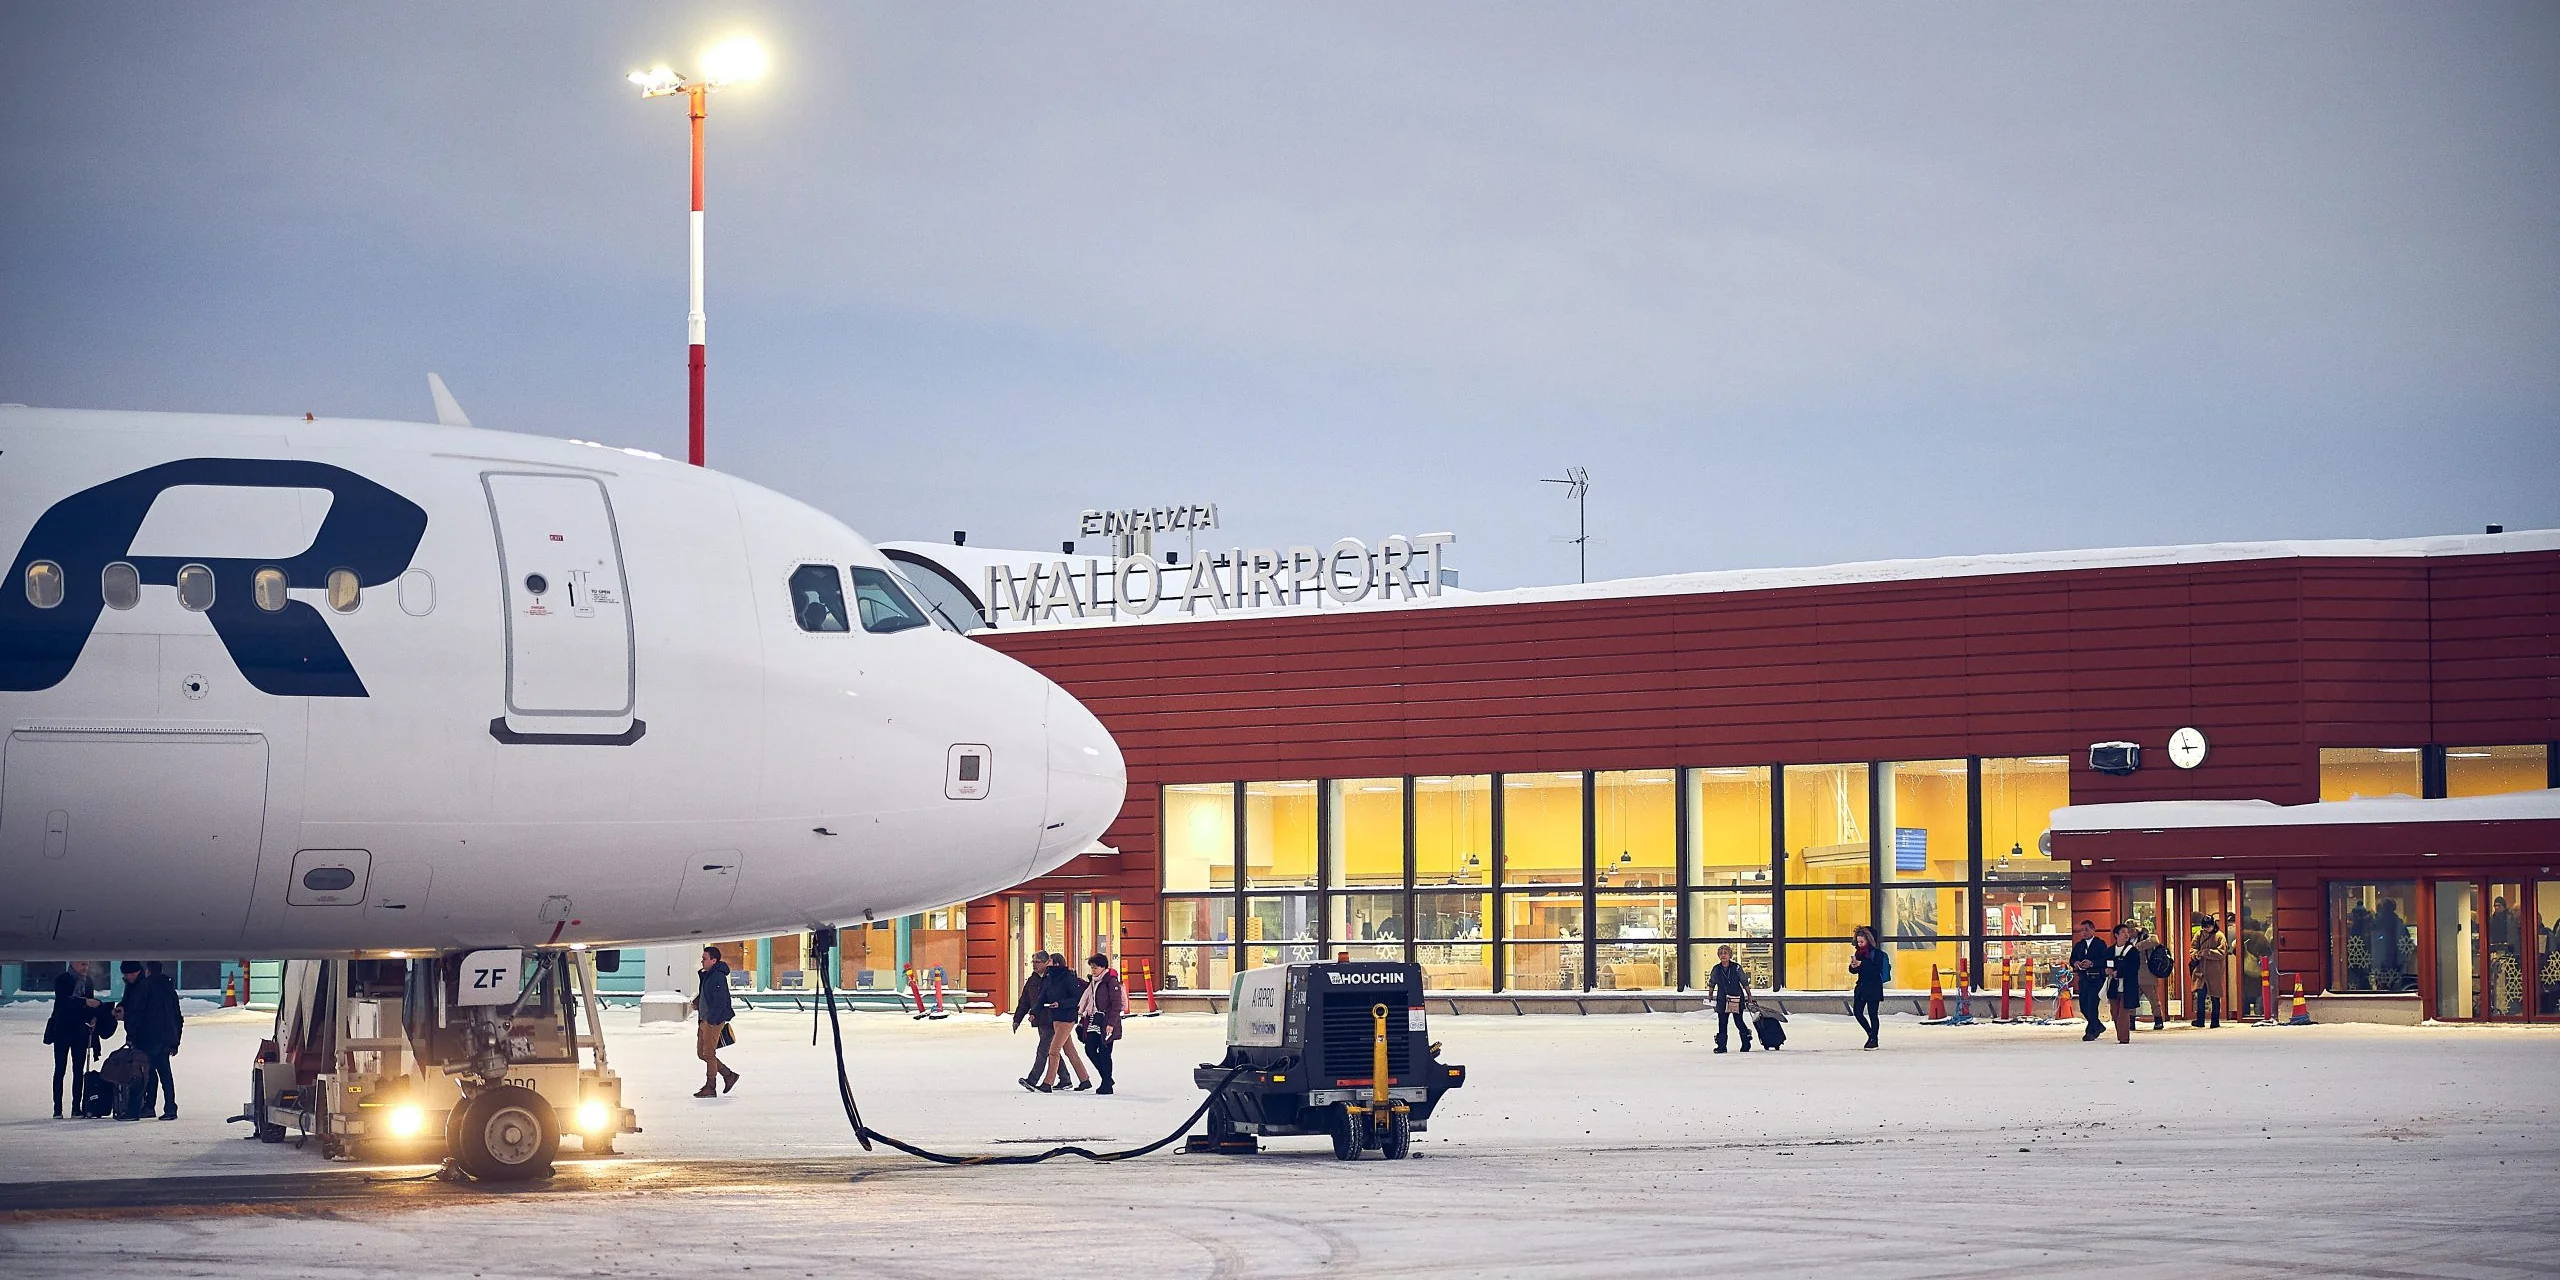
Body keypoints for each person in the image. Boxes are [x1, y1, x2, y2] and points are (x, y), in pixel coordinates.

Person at [118, 960, 183, 1120]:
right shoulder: (168, 989)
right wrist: (175, 1041)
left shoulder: (144, 987)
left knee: (143, 1074)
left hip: (148, 1038)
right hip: (165, 1038)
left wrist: (131, 1035)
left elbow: (139, 1013)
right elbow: (177, 1016)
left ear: (147, 971)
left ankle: (137, 1110)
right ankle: (169, 1108)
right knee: (164, 1074)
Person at [45, 966, 101, 1118]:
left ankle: (77, 1107)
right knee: (60, 1070)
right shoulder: (62, 979)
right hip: (62, 1030)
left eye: (88, 964)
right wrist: (85, 1002)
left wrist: (93, 1017)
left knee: (78, 1070)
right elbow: (63, 1002)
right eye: (82, 964)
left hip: (80, 1031)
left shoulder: (88, 981)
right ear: (74, 963)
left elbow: (91, 1006)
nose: (86, 967)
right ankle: (57, 1109)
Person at [1037, 952, 1093, 1092]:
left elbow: (1077, 998)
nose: (1047, 963)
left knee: (1053, 1051)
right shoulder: (1050, 978)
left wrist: (1060, 1004)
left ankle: (1047, 1083)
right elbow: (1042, 997)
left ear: (1056, 963)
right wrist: (1034, 1011)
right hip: (1056, 1017)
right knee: (1070, 1052)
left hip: (1067, 1018)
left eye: (1049, 961)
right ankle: (1084, 1079)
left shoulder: (1068, 978)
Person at [690, 945, 739, 1099]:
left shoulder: (717, 977)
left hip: (713, 1021)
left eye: (704, 959)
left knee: (709, 1054)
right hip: (704, 1019)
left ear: (713, 960)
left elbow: (720, 1000)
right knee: (701, 1053)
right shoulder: (708, 975)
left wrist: (712, 1019)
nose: (702, 961)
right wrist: (698, 1002)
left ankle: (710, 1086)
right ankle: (728, 1074)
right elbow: (706, 993)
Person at [1076, 953, 1126, 1095]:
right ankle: (1107, 1078)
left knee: (1105, 1053)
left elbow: (1117, 1004)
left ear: (1103, 967)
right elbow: (1089, 998)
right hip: (1093, 1020)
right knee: (1090, 1049)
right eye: (1091, 967)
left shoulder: (1111, 981)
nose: (1093, 970)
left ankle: (1106, 1084)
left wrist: (1111, 1023)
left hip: (1107, 1021)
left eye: (1095, 967)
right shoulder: (1094, 981)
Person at [1013, 951, 1053, 1090]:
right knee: (1051, 1050)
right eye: (1033, 962)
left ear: (1046, 962)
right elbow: (1024, 1001)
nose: (1034, 965)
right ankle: (1065, 1078)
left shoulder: (1052, 978)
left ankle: (1032, 1079)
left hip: (1053, 1020)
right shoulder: (1032, 980)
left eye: (1037, 962)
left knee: (1043, 1050)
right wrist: (1017, 1019)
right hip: (1040, 1020)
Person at [2069, 920, 2112, 1041]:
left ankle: (2091, 1032)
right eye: (2082, 930)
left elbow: (2104, 959)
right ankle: (2097, 1025)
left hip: (2096, 978)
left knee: (2092, 1005)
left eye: (2086, 930)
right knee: (2083, 1006)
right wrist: (2076, 963)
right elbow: (2072, 959)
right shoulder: (2079, 945)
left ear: (2093, 930)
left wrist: (2092, 963)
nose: (2083, 933)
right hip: (2083, 979)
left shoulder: (2100, 944)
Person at [1846, 925, 1888, 1050]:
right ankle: (1871, 1034)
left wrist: (1862, 964)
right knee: (1858, 1012)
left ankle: (1874, 1039)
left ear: (1868, 941)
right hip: (1862, 987)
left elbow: (1876, 970)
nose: (1859, 944)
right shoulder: (1858, 953)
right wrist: (1853, 966)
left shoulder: (1877, 954)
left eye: (1861, 942)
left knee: (1872, 1014)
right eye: (1858, 942)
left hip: (1874, 987)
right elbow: (1855, 971)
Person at [1706, 944, 1753, 1053]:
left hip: (1736, 997)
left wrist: (1749, 995)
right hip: (1722, 998)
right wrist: (1710, 994)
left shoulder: (1736, 967)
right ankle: (1722, 1046)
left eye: (1725, 953)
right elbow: (1712, 982)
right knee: (1722, 1022)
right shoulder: (1716, 969)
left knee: (1738, 1021)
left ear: (1730, 955)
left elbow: (1744, 982)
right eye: (1721, 953)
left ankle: (1746, 1042)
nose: (1723, 955)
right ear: (1718, 956)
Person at [2108, 924, 2143, 1044]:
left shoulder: (2132, 951)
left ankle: (2124, 1038)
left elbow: (2134, 967)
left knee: (2124, 1013)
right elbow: (2105, 964)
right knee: (2115, 1012)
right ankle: (2121, 1035)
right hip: (2113, 986)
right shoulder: (2110, 950)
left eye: (2127, 932)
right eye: (2123, 932)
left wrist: (2119, 973)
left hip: (2128, 986)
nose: (2126, 934)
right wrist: (2106, 971)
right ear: (2116, 935)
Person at [2189, 918, 2227, 1028]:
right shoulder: (2199, 934)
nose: (2207, 929)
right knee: (2200, 995)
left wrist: (2207, 953)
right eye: (2205, 927)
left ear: (2213, 925)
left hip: (2214, 970)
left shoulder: (2219, 936)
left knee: (2215, 996)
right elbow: (2193, 948)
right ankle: (2200, 1020)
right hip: (2201, 970)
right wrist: (2195, 954)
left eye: (2209, 926)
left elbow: (2222, 952)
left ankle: (2215, 1021)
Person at [2132, 928, 2168, 1030]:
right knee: (2131, 1000)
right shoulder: (2126, 940)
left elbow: (2155, 940)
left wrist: (2137, 947)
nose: (2129, 933)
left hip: (2146, 974)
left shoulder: (2145, 937)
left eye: (2132, 930)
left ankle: (2158, 1020)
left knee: (2153, 999)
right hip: (2132, 975)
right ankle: (2131, 1022)